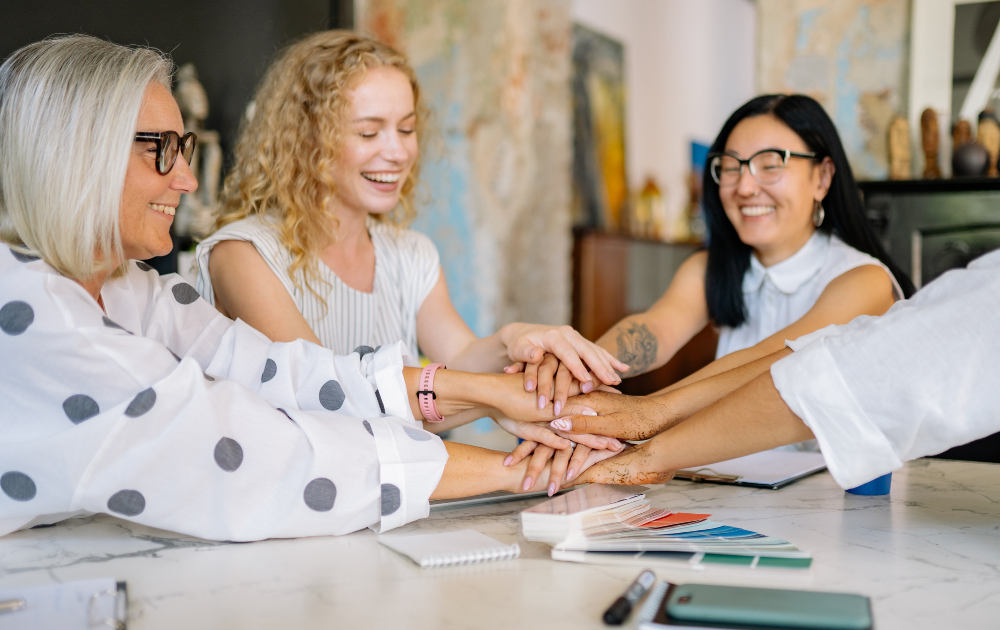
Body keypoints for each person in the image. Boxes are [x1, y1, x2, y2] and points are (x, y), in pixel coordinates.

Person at [572, 0, 1000, 627]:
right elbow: (647, 334)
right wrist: (577, 376)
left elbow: (848, 370)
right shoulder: (712, 269)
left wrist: (647, 434)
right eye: (730, 168)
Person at [0, 35, 613, 542]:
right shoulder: (33, 311)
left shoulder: (136, 291)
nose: (186, 179)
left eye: (183, 148)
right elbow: (257, 448)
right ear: (75, 155)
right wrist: (517, 467)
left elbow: (290, 373)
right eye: (161, 150)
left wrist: (501, 386)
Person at [193, 31, 623, 482]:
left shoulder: (412, 255)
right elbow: (328, 398)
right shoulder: (242, 255)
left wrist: (516, 341)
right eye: (368, 131)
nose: (397, 152)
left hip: (387, 511)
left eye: (406, 128)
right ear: (305, 139)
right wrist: (495, 398)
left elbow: (458, 356)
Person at [592, 94, 912, 395]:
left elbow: (762, 364)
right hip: (732, 456)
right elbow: (656, 329)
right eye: (731, 167)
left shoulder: (864, 280)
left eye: (770, 165)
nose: (744, 187)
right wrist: (583, 367)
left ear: (822, 178)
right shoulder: (711, 266)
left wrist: (635, 416)